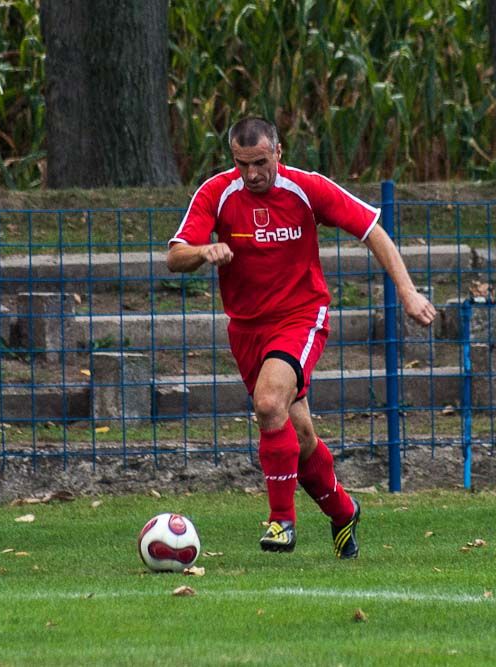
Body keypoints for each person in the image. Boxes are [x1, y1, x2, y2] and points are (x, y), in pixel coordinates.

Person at [167, 117, 436, 557]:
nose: (252, 174)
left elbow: (373, 232)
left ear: (278, 152)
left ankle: (280, 522)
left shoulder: (306, 188)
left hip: (301, 317)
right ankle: (344, 511)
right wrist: (203, 251)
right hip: (246, 328)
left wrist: (407, 291)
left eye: (259, 162)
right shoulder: (217, 192)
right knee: (300, 434)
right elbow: (175, 256)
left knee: (269, 403)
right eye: (242, 164)